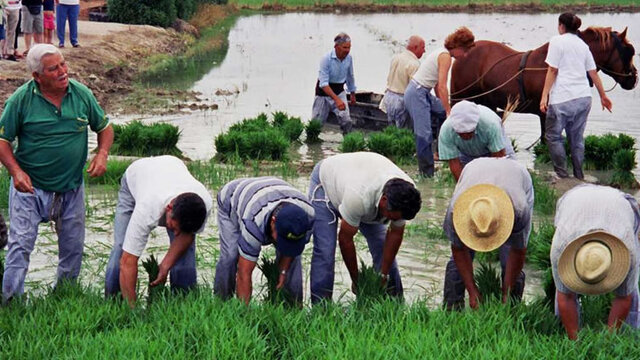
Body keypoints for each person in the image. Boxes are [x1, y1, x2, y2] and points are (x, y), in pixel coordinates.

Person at [0, 44, 113, 303]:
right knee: (20, 245)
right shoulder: (21, 99)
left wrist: (102, 153)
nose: (63, 72)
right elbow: (2, 140)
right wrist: (15, 172)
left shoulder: (81, 94)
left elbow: (104, 128)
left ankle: (65, 296)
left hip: (71, 187)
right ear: (37, 77)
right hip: (29, 187)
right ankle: (11, 302)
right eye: (54, 69)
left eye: (63, 64)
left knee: (72, 248)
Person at [309, 152, 422, 304]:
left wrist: (383, 274)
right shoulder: (359, 197)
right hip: (326, 183)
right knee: (325, 250)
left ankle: (394, 305)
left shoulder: (407, 195)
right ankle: (320, 309)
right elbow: (345, 239)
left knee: (382, 248)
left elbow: (394, 234)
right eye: (392, 217)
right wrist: (356, 280)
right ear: (384, 200)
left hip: (359, 181)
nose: (392, 221)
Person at [104, 156, 212, 307]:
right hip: (136, 176)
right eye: (174, 228)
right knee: (122, 247)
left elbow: (187, 236)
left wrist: (165, 266)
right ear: (169, 208)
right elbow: (128, 262)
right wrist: (133, 311)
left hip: (171, 166)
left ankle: (183, 304)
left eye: (181, 231)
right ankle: (113, 303)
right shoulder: (148, 207)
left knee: (186, 251)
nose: (176, 234)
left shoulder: (203, 204)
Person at [442, 157, 532, 310]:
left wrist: (506, 293)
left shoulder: (519, 208)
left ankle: (512, 308)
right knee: (456, 265)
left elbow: (518, 252)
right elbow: (458, 249)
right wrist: (472, 291)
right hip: (474, 170)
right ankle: (451, 311)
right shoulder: (455, 210)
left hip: (515, 175)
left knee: (508, 257)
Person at [551, 184, 639, 340]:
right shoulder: (561, 247)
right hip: (573, 199)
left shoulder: (628, 251)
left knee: (630, 289)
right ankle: (565, 331)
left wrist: (608, 339)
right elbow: (565, 297)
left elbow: (624, 298)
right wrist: (575, 341)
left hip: (619, 203)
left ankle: (629, 333)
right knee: (564, 289)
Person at [214, 177, 315, 305]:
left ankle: (293, 308)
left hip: (273, 192)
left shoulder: (308, 216)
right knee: (230, 256)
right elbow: (244, 272)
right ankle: (221, 303)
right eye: (282, 237)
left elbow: (291, 249)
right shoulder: (254, 221)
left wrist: (283, 270)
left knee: (294, 260)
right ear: (273, 221)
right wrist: (243, 314)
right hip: (232, 198)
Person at [540, 12, 612, 180]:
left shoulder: (557, 41)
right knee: (577, 139)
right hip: (583, 99)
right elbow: (593, 73)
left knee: (553, 137)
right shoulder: (583, 45)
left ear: (561, 26)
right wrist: (603, 96)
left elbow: (552, 70)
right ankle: (579, 176)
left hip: (562, 99)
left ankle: (562, 176)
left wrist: (544, 96)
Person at [404, 27, 475, 177]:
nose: (466, 55)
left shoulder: (441, 53)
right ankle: (426, 173)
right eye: (466, 50)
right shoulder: (445, 57)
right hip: (416, 93)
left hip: (423, 92)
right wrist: (449, 110)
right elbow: (443, 86)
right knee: (424, 133)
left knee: (442, 113)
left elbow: (436, 85)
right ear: (458, 47)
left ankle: (439, 151)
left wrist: (445, 108)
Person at [438, 100, 514, 181]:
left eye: (469, 132)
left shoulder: (490, 124)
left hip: (497, 149)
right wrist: (463, 185)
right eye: (461, 133)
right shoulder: (446, 131)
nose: (466, 136)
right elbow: (454, 163)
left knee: (509, 176)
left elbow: (499, 159)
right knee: (468, 181)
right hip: (465, 153)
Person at [312, 32, 356, 135]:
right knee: (316, 124)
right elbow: (323, 84)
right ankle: (312, 145)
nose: (347, 50)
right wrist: (337, 100)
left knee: (346, 121)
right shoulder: (326, 59)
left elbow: (350, 76)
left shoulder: (349, 58)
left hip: (339, 90)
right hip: (323, 93)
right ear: (336, 46)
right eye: (345, 47)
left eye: (349, 47)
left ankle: (349, 143)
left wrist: (352, 93)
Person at [381, 35, 425, 129]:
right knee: (403, 132)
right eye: (423, 48)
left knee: (392, 130)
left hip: (389, 98)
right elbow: (414, 90)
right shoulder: (414, 64)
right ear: (415, 48)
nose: (424, 51)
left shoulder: (396, 57)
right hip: (401, 100)